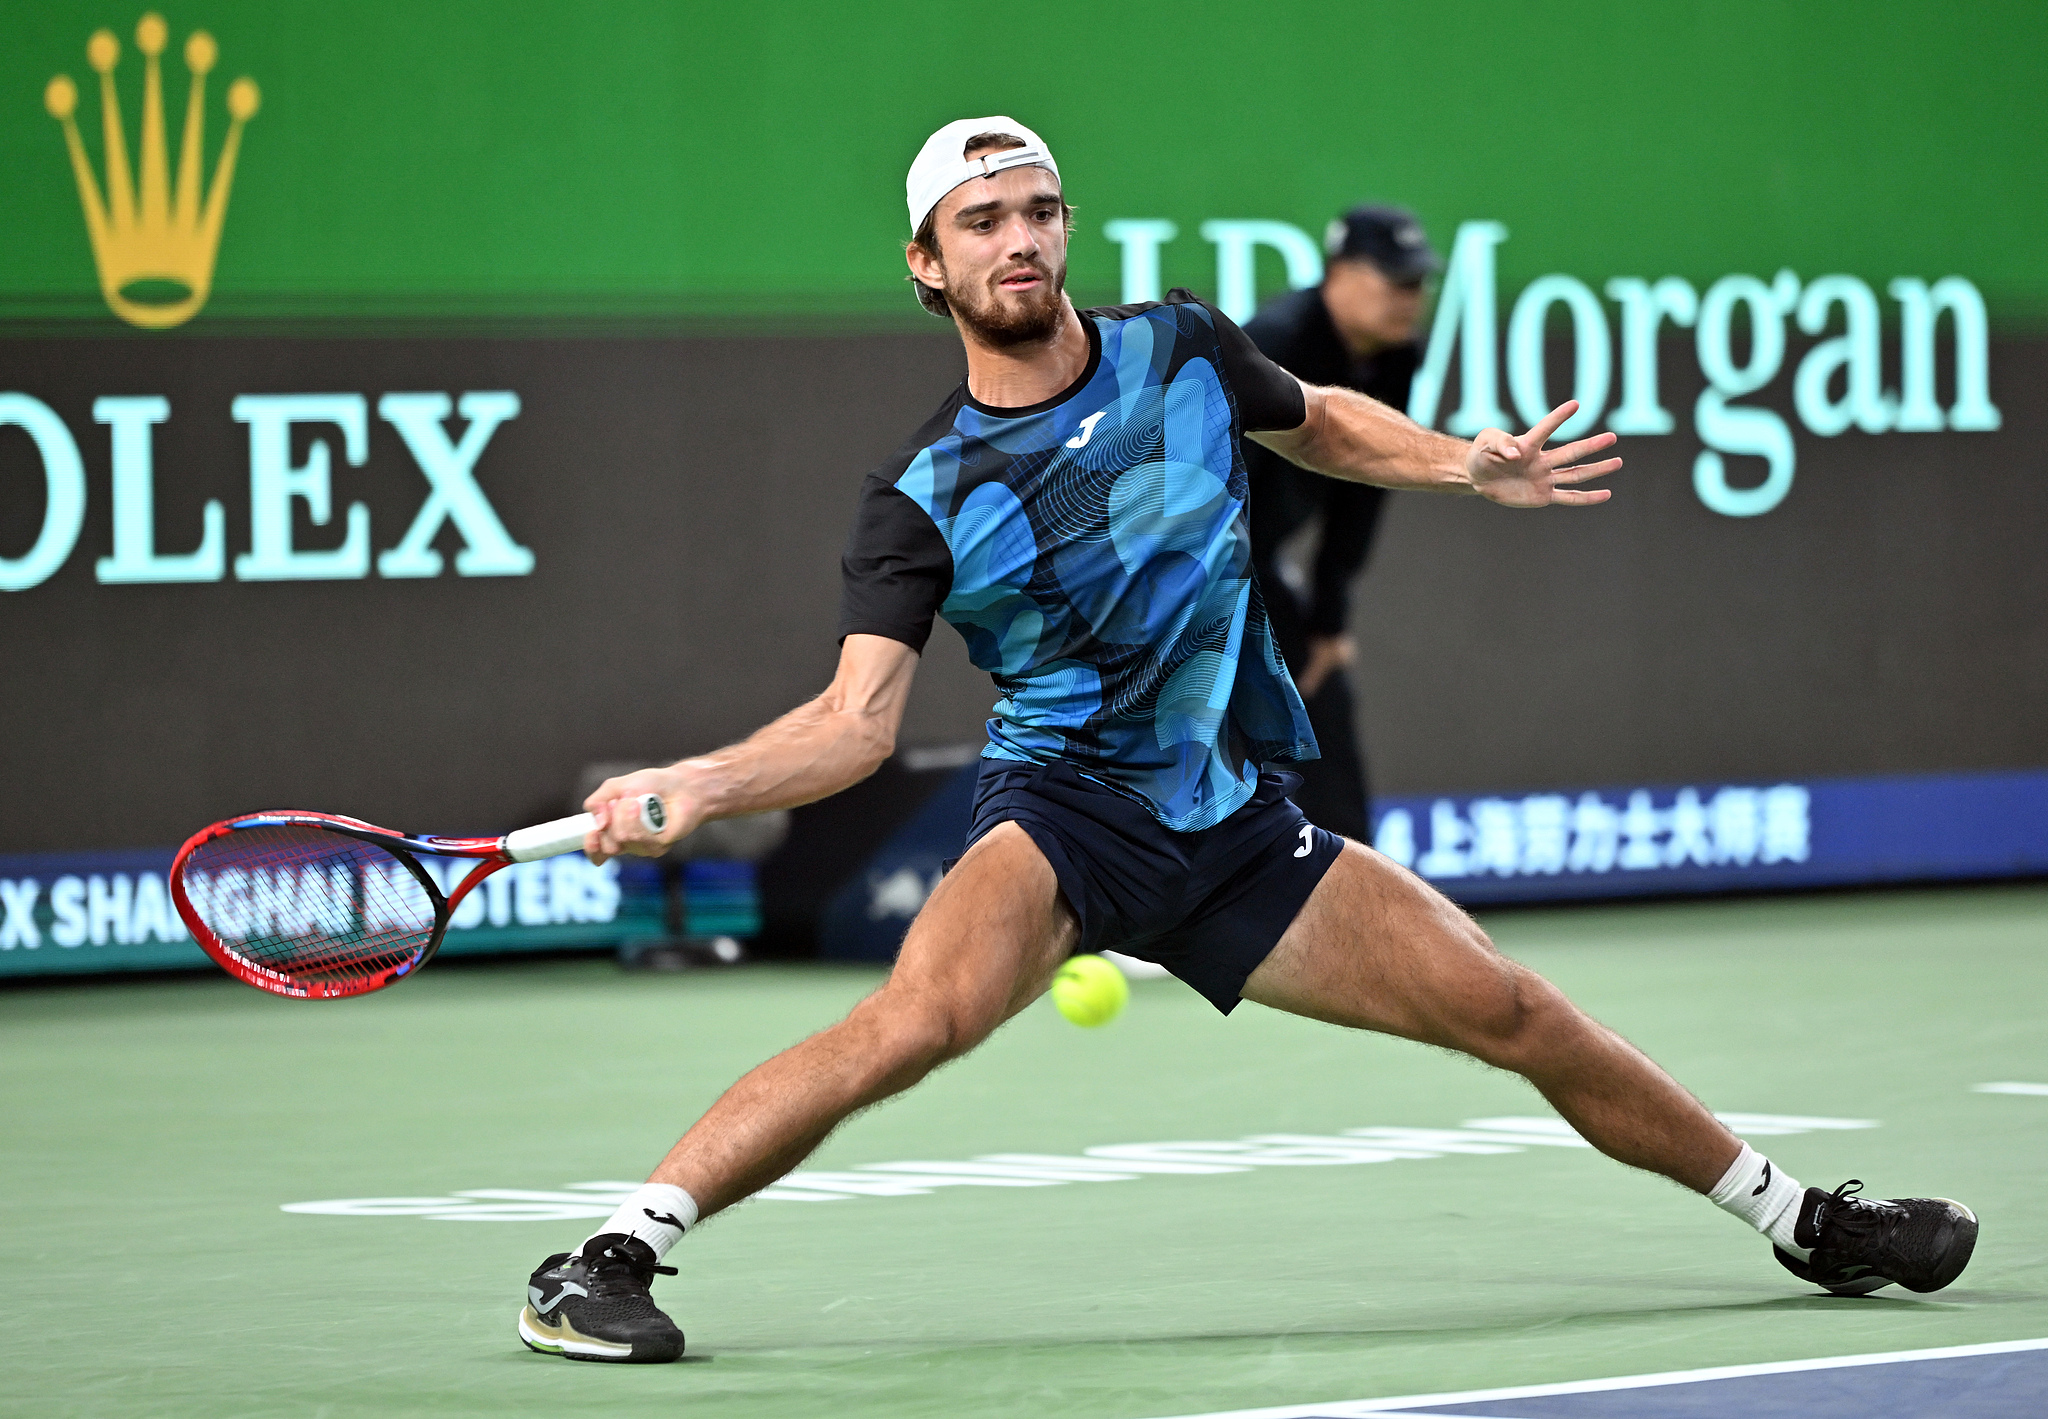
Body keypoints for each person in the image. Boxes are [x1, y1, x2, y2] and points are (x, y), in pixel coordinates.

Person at [515, 118, 1977, 1363]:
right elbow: (854, 721)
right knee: (914, 1021)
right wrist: (697, 782)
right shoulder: (924, 492)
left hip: (1231, 822)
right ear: (928, 264)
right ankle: (604, 1257)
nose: (1018, 237)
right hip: (1064, 812)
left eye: (1037, 208)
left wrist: (1465, 461)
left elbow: (1322, 421)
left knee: (1515, 1009)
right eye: (980, 221)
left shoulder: (1183, 349)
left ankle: (1803, 1219)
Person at [1242, 206, 1442, 841]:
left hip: (1258, 561)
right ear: (1340, 274)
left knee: (1323, 708)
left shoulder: (1397, 358)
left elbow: (1365, 492)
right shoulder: (1276, 341)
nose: (1409, 298)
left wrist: (1328, 619)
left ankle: (1351, 894)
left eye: (1417, 283)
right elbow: (1203, 493)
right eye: (1394, 280)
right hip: (1190, 565)